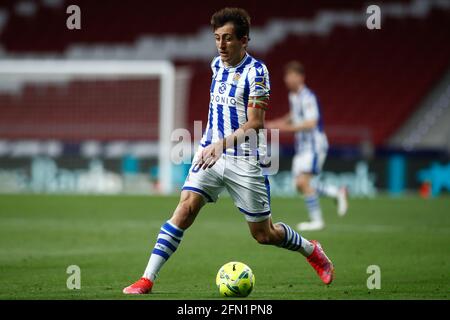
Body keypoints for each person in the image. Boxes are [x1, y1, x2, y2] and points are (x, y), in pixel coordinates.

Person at [123, 8, 334, 295]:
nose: (221, 45)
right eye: (217, 38)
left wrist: (222, 144)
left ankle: (311, 250)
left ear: (244, 41)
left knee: (264, 234)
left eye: (228, 39)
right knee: (185, 209)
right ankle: (146, 279)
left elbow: (256, 123)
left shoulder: (257, 72)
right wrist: (212, 143)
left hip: (244, 160)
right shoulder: (216, 65)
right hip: (210, 152)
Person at [266, 61, 348, 231]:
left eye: (291, 76)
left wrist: (285, 128)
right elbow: (294, 115)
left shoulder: (308, 97)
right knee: (299, 184)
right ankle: (335, 192)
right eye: (286, 76)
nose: (287, 80)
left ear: (300, 77)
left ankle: (317, 221)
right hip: (303, 147)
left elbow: (311, 122)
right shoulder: (294, 96)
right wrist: (276, 122)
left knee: (303, 182)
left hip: (314, 145)